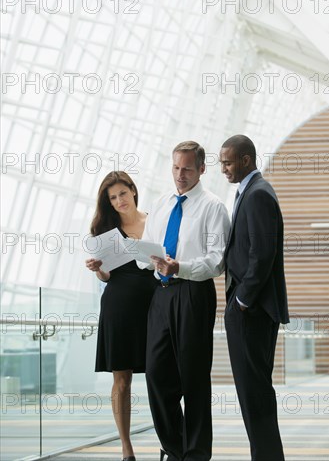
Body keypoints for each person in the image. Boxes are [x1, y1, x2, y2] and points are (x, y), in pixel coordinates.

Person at [138, 141, 230, 461]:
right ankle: (174, 447)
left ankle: (195, 454)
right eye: (176, 168)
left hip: (193, 293)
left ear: (202, 169)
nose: (180, 174)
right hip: (161, 294)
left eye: (188, 168)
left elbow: (216, 262)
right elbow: (146, 252)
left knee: (193, 378)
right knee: (156, 375)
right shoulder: (162, 203)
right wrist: (142, 256)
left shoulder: (213, 207)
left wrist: (181, 266)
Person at [219, 135, 289, 461]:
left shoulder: (258, 194)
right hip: (249, 309)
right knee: (252, 394)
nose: (223, 169)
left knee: (255, 394)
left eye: (227, 162)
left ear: (246, 160)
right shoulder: (251, 191)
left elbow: (262, 254)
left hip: (252, 310)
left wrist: (241, 301)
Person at [85, 171, 157, 461]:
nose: (119, 201)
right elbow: (107, 277)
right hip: (119, 307)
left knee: (160, 375)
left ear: (133, 191)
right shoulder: (106, 232)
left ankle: (170, 439)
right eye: (112, 198)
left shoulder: (155, 221)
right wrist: (98, 269)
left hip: (156, 305)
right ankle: (127, 449)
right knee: (122, 380)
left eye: (122, 194)